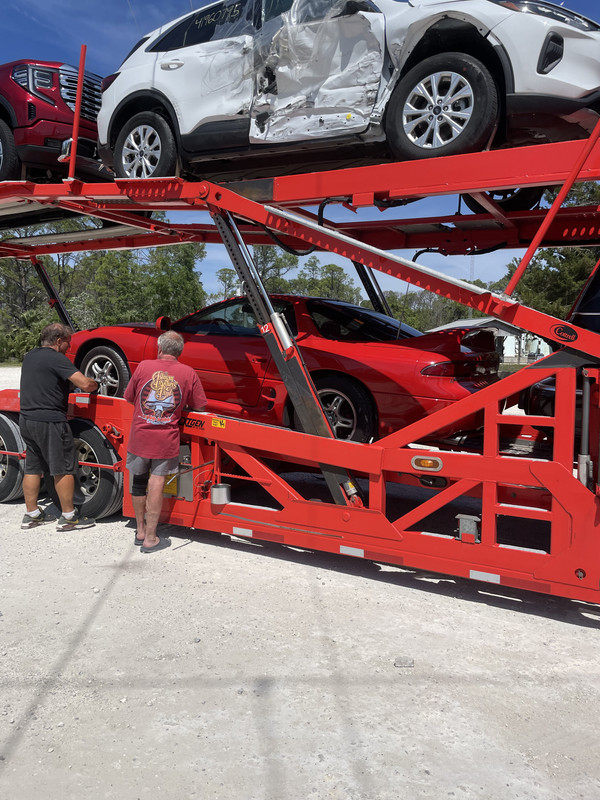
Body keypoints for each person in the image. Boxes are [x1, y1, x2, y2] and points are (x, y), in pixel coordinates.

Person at [124, 330, 207, 554]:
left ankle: (140, 531)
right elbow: (200, 406)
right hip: (165, 438)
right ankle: (151, 538)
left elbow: (129, 397)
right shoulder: (188, 372)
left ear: (159, 349)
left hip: (140, 434)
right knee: (157, 482)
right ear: (179, 352)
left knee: (139, 482)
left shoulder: (143, 366)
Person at [19, 322, 99, 531]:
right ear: (58, 341)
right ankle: (69, 517)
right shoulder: (56, 358)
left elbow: (48, 380)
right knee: (63, 468)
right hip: (50, 421)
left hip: (27, 419)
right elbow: (85, 384)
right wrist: (96, 384)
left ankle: (32, 514)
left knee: (33, 468)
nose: (69, 347)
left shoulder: (30, 356)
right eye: (68, 343)